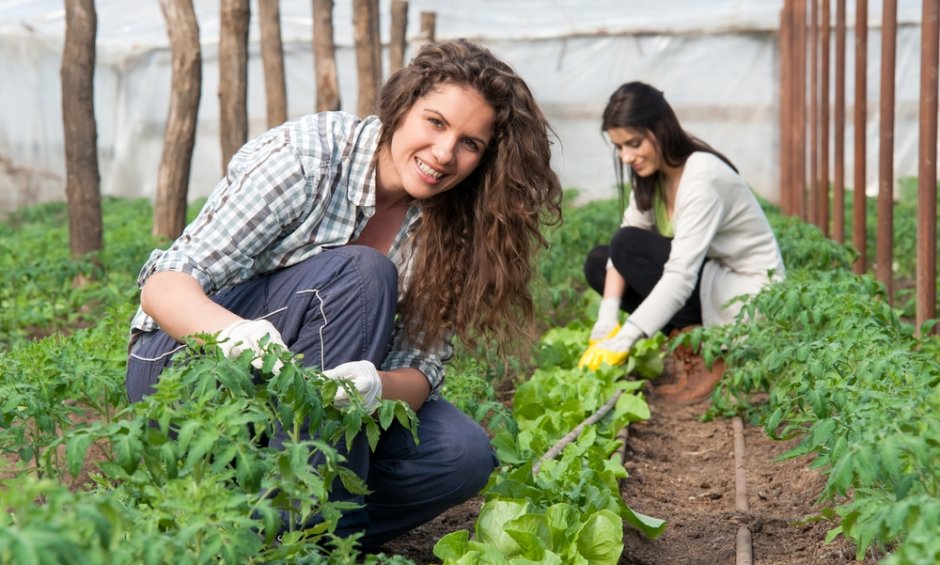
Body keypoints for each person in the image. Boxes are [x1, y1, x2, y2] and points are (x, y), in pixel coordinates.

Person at [126, 39, 563, 548]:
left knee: (461, 454)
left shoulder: (457, 225)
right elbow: (165, 283)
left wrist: (373, 385)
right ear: (401, 107)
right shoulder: (309, 156)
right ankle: (318, 538)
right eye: (436, 122)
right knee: (362, 273)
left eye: (471, 144)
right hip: (188, 372)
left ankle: (260, 528)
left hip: (301, 408)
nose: (444, 154)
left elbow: (423, 367)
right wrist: (234, 335)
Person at [579, 81, 785, 402]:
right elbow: (624, 242)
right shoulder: (654, 177)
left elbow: (680, 274)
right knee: (599, 262)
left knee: (626, 246)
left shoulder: (702, 177)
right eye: (619, 147)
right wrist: (607, 318)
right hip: (710, 281)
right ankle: (691, 345)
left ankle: (707, 357)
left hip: (746, 294)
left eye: (633, 143)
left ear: (660, 129)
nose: (626, 157)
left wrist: (628, 336)